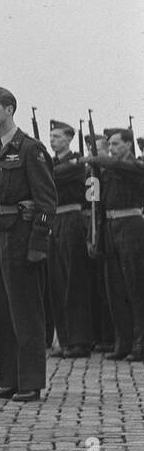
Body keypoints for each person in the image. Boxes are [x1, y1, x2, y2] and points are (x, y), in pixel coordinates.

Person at [0, 85, 56, 402]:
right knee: (2, 313)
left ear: (9, 110)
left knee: (26, 312)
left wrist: (38, 245)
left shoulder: (30, 149)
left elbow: (47, 201)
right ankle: (9, 379)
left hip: (22, 238)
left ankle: (31, 382)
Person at [85, 128, 144, 362]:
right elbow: (95, 203)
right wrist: (95, 235)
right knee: (115, 288)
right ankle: (123, 342)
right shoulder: (106, 168)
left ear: (129, 145)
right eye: (110, 144)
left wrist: (97, 159)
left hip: (131, 226)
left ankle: (140, 344)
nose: (112, 148)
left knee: (135, 287)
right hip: (110, 227)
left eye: (117, 144)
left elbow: (122, 167)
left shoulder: (135, 166)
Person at [45, 121, 93, 359]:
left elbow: (48, 178)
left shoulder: (76, 162)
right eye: (51, 136)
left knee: (74, 281)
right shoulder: (53, 164)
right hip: (54, 222)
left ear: (69, 139)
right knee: (57, 282)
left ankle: (80, 341)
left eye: (57, 136)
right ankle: (65, 341)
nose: (52, 140)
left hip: (72, 220)